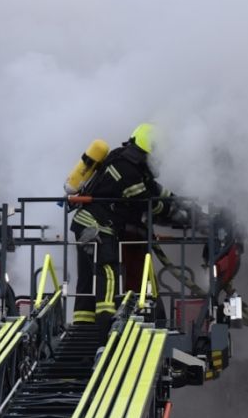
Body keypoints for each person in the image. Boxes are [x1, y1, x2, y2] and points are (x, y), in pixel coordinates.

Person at [69, 123, 187, 340]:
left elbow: (156, 190)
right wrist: (173, 212)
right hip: (98, 225)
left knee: (87, 278)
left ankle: (82, 326)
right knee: (108, 270)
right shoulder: (128, 169)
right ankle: (106, 323)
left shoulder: (128, 163)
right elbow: (145, 201)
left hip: (86, 223)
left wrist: (181, 203)